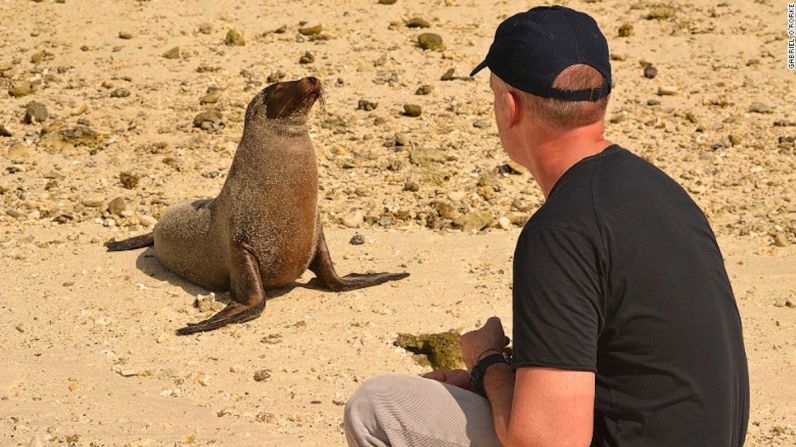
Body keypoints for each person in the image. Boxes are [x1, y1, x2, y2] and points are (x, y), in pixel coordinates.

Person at [343, 5, 749, 447]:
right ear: (602, 99)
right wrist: (502, 385)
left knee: (380, 405)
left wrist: (487, 363)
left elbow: (548, 442)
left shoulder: (561, 231)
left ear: (510, 106)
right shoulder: (662, 193)